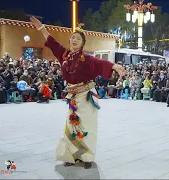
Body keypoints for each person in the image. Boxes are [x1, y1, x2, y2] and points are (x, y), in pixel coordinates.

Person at [29, 16, 126, 169]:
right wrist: (41, 28)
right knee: (71, 127)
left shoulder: (87, 59)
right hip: (72, 97)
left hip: (87, 95)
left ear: (82, 43)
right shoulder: (64, 55)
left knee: (87, 127)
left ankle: (87, 158)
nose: (74, 40)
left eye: (78, 39)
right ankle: (71, 156)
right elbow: (52, 42)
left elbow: (100, 63)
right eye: (72, 38)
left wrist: (115, 66)